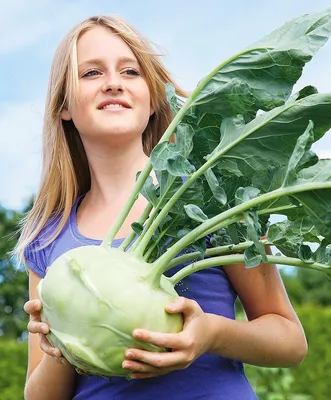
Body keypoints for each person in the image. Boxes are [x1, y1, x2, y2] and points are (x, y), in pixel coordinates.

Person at [15, 15, 308, 400]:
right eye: (90, 73)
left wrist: (212, 334)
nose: (113, 82)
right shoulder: (47, 237)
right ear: (64, 106)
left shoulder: (213, 203)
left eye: (130, 71)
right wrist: (63, 345)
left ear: (154, 99)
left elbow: (289, 340)